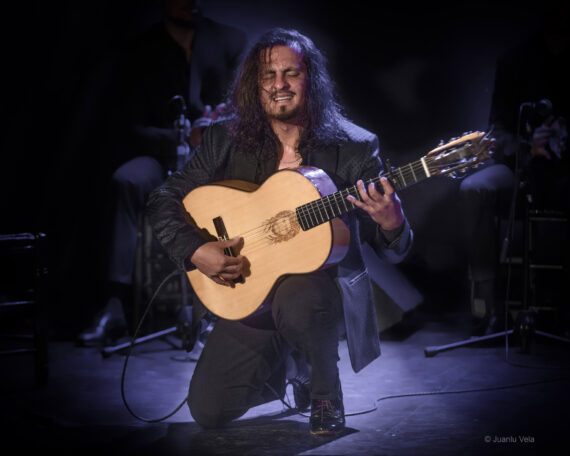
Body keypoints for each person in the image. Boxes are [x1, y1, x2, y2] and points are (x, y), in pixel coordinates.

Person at [146, 28, 413, 435]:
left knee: (303, 296)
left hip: (318, 295)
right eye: (268, 76)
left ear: (312, 79)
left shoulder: (356, 147)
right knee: (210, 410)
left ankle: (326, 392)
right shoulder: (226, 139)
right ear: (256, 84)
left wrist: (392, 223)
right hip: (250, 292)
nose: (279, 85)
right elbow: (164, 198)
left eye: (291, 73)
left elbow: (390, 249)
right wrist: (195, 251)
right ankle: (292, 364)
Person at [77, 0, 248, 345]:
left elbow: (245, 105)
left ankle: (226, 306)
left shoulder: (230, 40)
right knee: (126, 179)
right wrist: (182, 136)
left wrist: (220, 124)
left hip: (213, 162)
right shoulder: (140, 48)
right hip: (162, 158)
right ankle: (114, 306)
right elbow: (126, 125)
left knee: (233, 192)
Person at [459, 0, 569, 336]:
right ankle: (486, 310)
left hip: (565, 171)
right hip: (523, 166)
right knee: (474, 188)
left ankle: (559, 307)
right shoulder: (517, 59)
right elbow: (498, 129)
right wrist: (529, 146)